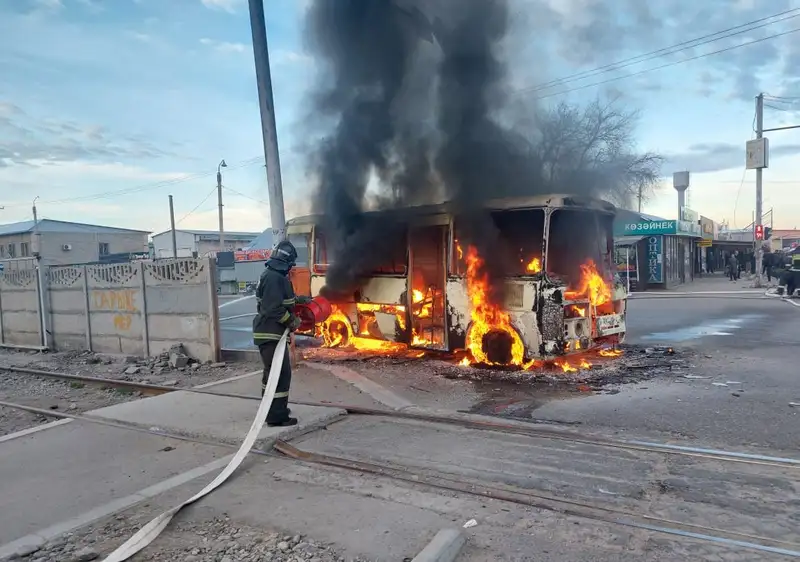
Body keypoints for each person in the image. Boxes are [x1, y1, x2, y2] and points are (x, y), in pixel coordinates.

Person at [252, 239, 310, 427]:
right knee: (279, 375)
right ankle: (276, 416)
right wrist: (292, 321)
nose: (291, 269)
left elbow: (278, 301)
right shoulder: (274, 278)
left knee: (274, 374)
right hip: (270, 334)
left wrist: (299, 299)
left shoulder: (272, 276)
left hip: (271, 334)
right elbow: (274, 309)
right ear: (285, 262)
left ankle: (273, 408)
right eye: (290, 265)